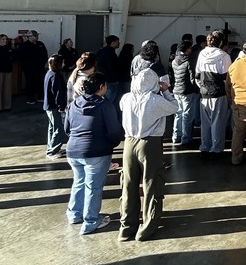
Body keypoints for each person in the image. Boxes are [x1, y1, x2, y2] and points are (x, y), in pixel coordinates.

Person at [119, 68, 178, 241]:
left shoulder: (126, 98)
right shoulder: (155, 100)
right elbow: (175, 107)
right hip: (149, 143)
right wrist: (165, 90)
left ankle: (126, 227)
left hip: (129, 143)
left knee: (129, 185)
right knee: (152, 183)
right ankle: (148, 226)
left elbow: (123, 106)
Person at [64, 72, 124, 234]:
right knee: (93, 187)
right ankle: (91, 221)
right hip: (96, 152)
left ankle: (74, 214)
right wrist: (112, 143)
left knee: (79, 182)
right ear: (101, 87)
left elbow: (67, 128)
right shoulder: (105, 106)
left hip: (73, 151)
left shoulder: (75, 103)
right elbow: (113, 131)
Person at [195, 30, 232, 157]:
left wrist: (202, 87)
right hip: (219, 93)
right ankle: (216, 149)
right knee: (218, 122)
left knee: (205, 123)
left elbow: (197, 75)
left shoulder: (202, 54)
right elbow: (227, 78)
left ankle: (204, 147)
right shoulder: (224, 56)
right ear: (221, 42)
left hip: (204, 92)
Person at [171, 38, 199, 146]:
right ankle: (186, 138)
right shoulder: (188, 61)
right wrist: (197, 89)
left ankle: (176, 136)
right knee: (187, 115)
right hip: (187, 91)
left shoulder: (174, 61)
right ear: (187, 49)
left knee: (178, 114)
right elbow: (192, 78)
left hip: (176, 90)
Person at [43, 54, 67, 159]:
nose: (64, 64)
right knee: (59, 129)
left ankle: (52, 147)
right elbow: (58, 93)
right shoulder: (55, 76)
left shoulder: (49, 73)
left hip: (49, 105)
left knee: (52, 127)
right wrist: (61, 106)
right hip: (54, 106)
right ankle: (52, 151)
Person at [18, 30, 48, 105]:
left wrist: (45, 63)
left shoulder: (40, 44)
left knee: (40, 81)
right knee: (30, 82)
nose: (37, 37)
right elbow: (22, 57)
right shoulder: (24, 45)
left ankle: (40, 96)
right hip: (29, 68)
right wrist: (26, 66)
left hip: (40, 67)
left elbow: (45, 54)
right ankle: (30, 98)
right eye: (35, 36)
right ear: (29, 37)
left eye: (37, 35)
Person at [96, 35, 120, 104]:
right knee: (110, 98)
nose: (119, 43)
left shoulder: (101, 51)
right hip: (110, 79)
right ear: (113, 42)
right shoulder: (110, 53)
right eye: (117, 42)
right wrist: (115, 78)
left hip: (101, 77)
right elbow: (111, 67)